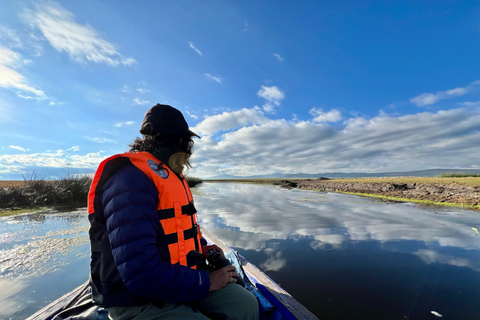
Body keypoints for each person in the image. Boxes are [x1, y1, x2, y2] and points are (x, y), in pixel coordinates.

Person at [87, 104, 259, 320]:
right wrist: (206, 282)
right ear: (177, 141)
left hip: (178, 279)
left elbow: (178, 232)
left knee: (245, 305)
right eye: (186, 142)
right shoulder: (130, 181)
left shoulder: (167, 176)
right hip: (136, 297)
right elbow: (141, 274)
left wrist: (203, 249)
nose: (188, 151)